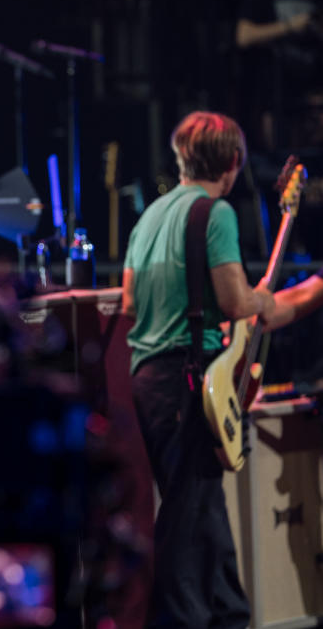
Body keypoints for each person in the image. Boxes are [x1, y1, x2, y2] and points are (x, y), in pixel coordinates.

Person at [121, 111, 276, 628]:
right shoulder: (217, 213)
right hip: (190, 379)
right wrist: (271, 302)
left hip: (147, 377)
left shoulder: (150, 215)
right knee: (186, 519)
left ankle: (230, 614)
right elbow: (236, 302)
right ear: (233, 162)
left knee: (201, 504)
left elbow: (127, 301)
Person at [236, 0, 323, 149]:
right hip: (276, 94)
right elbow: (243, 36)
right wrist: (290, 26)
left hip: (312, 93)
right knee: (281, 160)